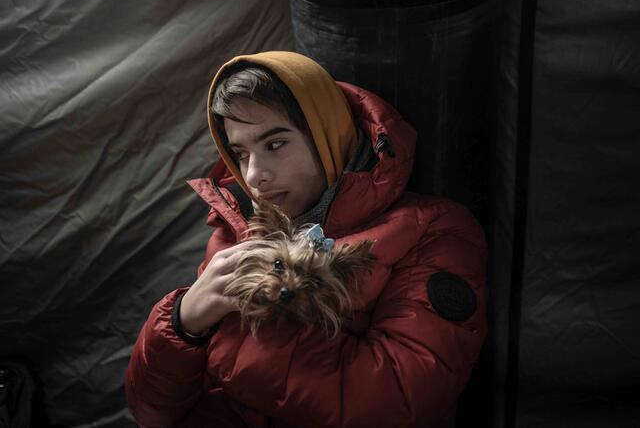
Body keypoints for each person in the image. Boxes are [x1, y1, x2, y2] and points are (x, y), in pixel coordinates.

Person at [125, 51, 488, 428]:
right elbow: (152, 413)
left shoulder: (432, 231)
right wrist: (183, 321)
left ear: (328, 133)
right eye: (240, 153)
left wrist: (224, 333)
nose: (254, 176)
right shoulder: (237, 232)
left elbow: (393, 399)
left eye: (275, 144)